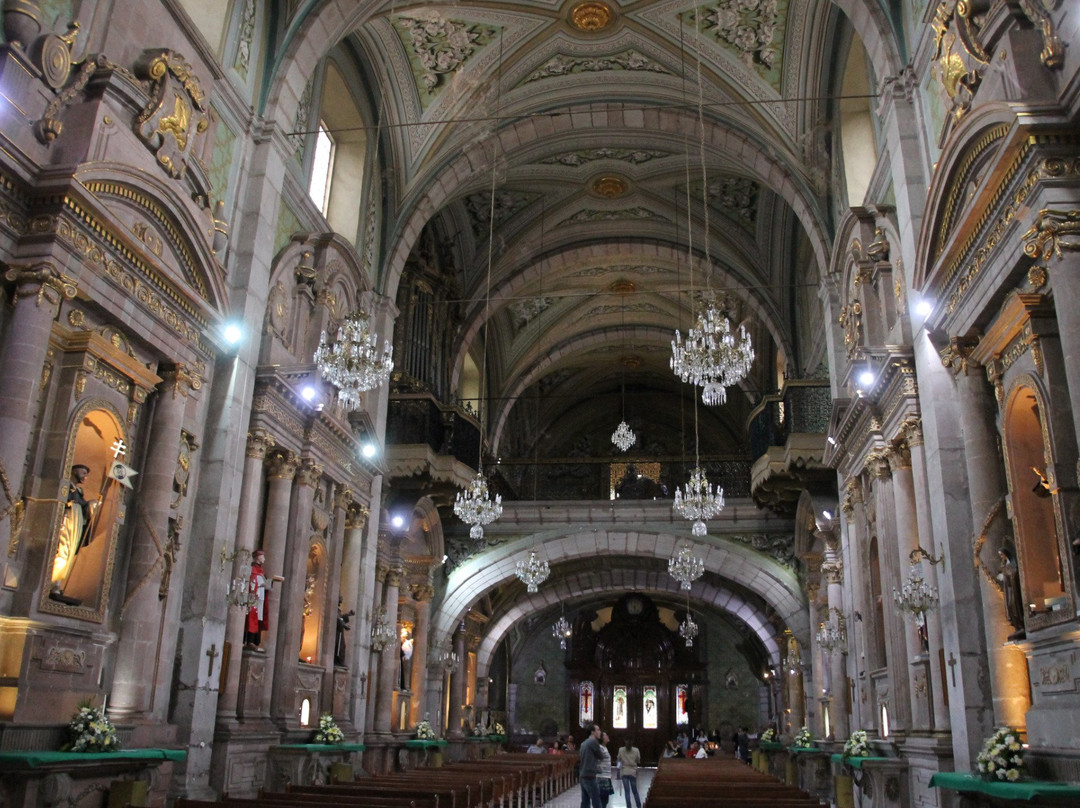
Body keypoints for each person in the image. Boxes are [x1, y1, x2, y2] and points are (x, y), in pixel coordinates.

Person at [50, 464, 95, 601]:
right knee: (62, 552)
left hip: (76, 524)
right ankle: (52, 583)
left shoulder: (79, 491)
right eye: (83, 472)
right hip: (67, 521)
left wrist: (91, 504)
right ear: (75, 471)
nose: (85, 476)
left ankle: (57, 584)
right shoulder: (67, 486)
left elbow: (83, 507)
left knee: (69, 554)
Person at [244, 549, 283, 650]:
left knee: (258, 619)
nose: (264, 559)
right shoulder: (253, 570)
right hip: (254, 598)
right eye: (263, 557)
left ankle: (256, 641)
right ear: (258, 557)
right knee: (252, 619)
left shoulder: (261, 571)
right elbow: (254, 583)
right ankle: (250, 641)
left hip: (260, 598)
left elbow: (264, 584)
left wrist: (272, 581)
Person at [578, 724, 603, 808]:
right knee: (596, 802)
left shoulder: (583, 743)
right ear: (592, 732)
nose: (600, 732)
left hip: (582, 774)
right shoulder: (593, 742)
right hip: (590, 775)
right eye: (598, 730)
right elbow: (600, 756)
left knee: (585, 802)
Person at [617, 737, 642, 808]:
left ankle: (629, 806)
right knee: (635, 791)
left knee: (627, 792)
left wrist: (618, 769)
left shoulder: (621, 750)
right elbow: (638, 760)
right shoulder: (636, 750)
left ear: (625, 741)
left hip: (624, 772)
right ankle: (638, 806)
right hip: (633, 772)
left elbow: (618, 760)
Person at [597, 732, 614, 808]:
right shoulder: (600, 748)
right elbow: (596, 760)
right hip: (601, 777)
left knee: (605, 799)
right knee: (602, 799)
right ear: (601, 738)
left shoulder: (604, 748)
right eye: (605, 735)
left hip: (606, 776)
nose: (607, 736)